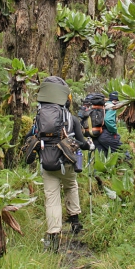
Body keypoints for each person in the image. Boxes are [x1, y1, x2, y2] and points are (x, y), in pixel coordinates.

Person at [32, 76, 92, 252]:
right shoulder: (71, 119)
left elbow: (30, 137)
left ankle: (54, 236)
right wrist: (88, 145)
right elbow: (80, 142)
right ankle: (74, 222)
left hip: (47, 163)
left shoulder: (39, 117)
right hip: (67, 163)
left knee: (52, 199)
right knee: (71, 186)